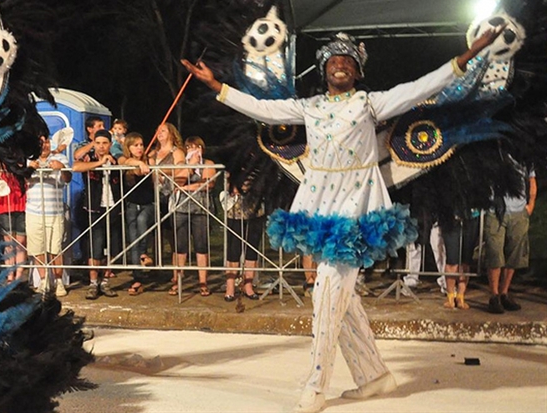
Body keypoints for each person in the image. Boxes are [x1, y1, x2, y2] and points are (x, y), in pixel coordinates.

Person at [182, 27, 500, 413]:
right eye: (334, 59)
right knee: (342, 300)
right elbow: (262, 109)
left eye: (348, 61)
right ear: (324, 69)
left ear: (357, 71)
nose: (340, 64)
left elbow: (420, 88)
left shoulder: (370, 103)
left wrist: (469, 55)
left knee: (327, 292)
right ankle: (373, 376)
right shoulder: (309, 106)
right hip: (319, 211)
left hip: (356, 210)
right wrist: (216, 85)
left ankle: (316, 386)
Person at [484, 156, 536, 314]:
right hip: (495, 211)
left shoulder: (524, 157)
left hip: (518, 212)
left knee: (514, 254)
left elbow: (532, 181)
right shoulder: (492, 154)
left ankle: (504, 293)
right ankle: (494, 296)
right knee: (495, 252)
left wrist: (531, 205)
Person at [73, 129, 120, 300]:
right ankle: (93, 283)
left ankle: (105, 281)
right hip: (94, 207)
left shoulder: (115, 159)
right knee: (95, 245)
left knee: (112, 246)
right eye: (98, 143)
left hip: (113, 206)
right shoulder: (89, 158)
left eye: (104, 143)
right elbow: (76, 165)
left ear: (110, 144)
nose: (101, 146)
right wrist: (99, 162)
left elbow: (127, 161)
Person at [26, 134, 71, 297]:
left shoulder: (60, 158)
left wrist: (62, 168)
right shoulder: (28, 160)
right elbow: (21, 178)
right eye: (40, 143)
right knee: (37, 247)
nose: (44, 145)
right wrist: (29, 168)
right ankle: (44, 280)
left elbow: (68, 179)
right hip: (33, 210)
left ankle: (58, 281)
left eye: (46, 142)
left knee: (55, 248)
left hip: (55, 211)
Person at [172, 135, 216, 297]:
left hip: (201, 209)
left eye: (197, 147)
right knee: (180, 246)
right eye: (189, 147)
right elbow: (178, 181)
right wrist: (190, 165)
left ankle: (203, 282)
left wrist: (186, 188)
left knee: (201, 245)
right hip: (181, 209)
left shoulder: (208, 163)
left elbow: (208, 184)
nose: (193, 150)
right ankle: (177, 280)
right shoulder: (182, 164)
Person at [148, 123, 187, 294]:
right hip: (155, 197)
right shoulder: (153, 153)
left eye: (163, 130)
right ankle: (156, 267)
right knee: (155, 234)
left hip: (171, 196)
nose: (159, 133)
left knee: (173, 236)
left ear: (171, 134)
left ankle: (177, 273)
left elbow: (180, 169)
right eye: (157, 130)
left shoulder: (176, 152)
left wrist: (160, 169)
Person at [118, 132, 154, 296]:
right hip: (131, 204)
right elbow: (124, 162)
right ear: (128, 147)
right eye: (135, 145)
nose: (139, 148)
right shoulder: (125, 160)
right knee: (133, 240)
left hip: (148, 204)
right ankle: (137, 277)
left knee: (142, 221)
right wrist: (138, 163)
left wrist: (144, 164)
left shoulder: (150, 161)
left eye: (141, 145)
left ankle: (143, 253)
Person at [223, 177, 264, 302]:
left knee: (252, 249)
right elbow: (228, 180)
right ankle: (230, 287)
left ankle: (248, 285)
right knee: (233, 250)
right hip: (235, 210)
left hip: (255, 208)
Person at [0, 159, 28, 283]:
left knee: (21, 242)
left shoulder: (22, 162)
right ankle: (10, 275)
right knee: (8, 242)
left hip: (21, 203)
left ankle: (19, 275)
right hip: (5, 204)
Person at [442, 210, 480, 309]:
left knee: (466, 260)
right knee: (452, 260)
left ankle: (460, 296)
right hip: (450, 217)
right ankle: (450, 297)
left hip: (472, 216)